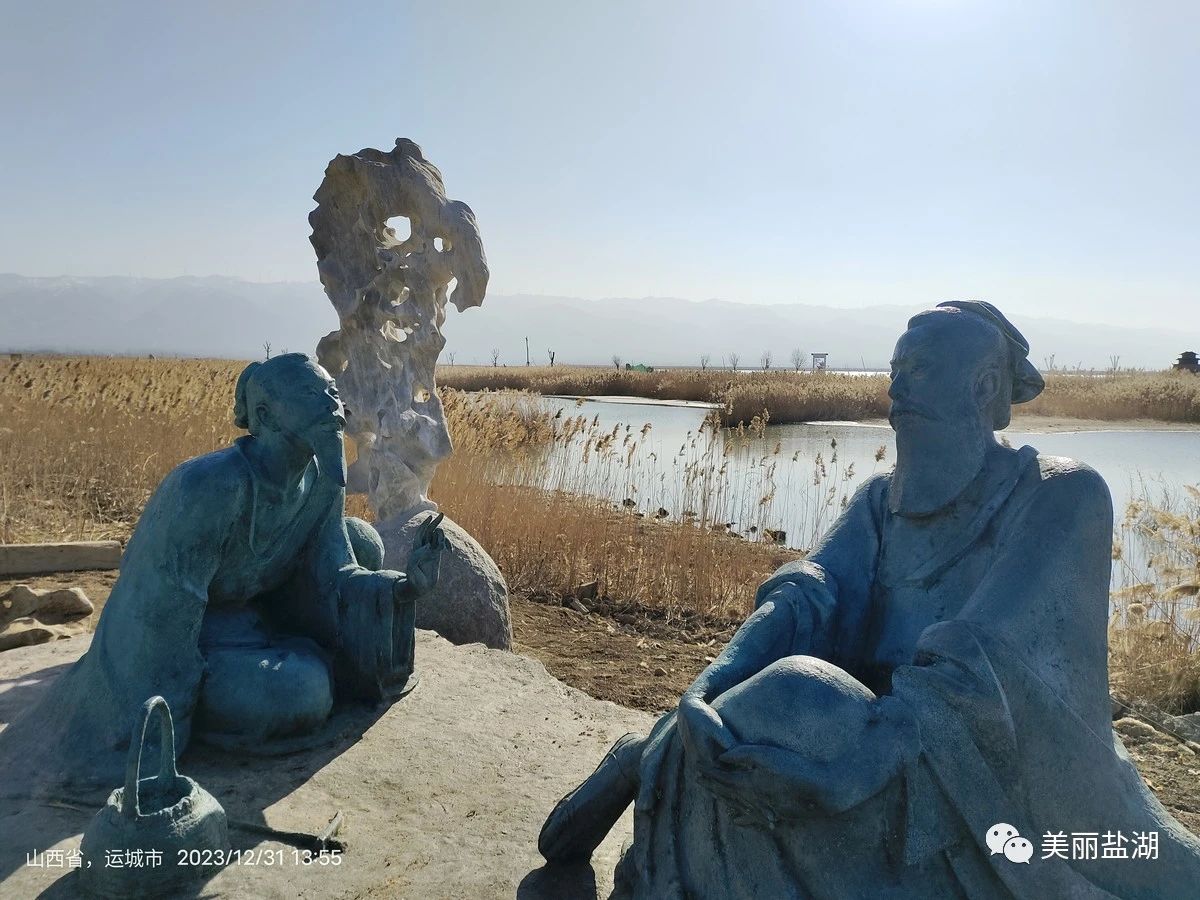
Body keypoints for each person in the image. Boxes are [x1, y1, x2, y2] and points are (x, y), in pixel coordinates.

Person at [540, 302, 1200, 899]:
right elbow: (805, 597)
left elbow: (981, 662)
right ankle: (664, 757)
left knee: (801, 698)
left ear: (984, 387)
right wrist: (705, 689)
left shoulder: (1058, 496)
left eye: (919, 369)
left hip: (977, 779)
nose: (896, 387)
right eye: (894, 369)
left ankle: (648, 763)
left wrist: (855, 771)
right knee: (787, 700)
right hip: (854, 732)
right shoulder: (881, 501)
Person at [1, 353, 445, 787]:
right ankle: (249, 690)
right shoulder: (207, 487)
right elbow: (158, 615)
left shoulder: (322, 476)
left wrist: (403, 588)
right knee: (302, 692)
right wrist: (164, 724)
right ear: (266, 416)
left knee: (361, 540)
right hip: (196, 631)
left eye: (332, 392)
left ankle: (306, 663)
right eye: (313, 394)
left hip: (265, 606)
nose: (333, 404)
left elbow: (335, 570)